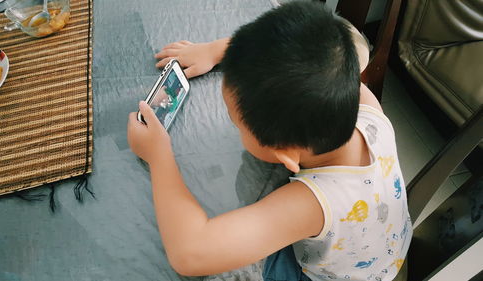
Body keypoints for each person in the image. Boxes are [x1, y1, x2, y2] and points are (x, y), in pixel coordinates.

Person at [127, 1, 412, 280]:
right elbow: (302, 58)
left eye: (235, 122)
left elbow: (189, 254)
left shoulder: (309, 205)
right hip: (385, 247)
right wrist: (217, 51)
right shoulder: (366, 106)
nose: (233, 124)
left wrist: (159, 155)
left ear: (286, 156)